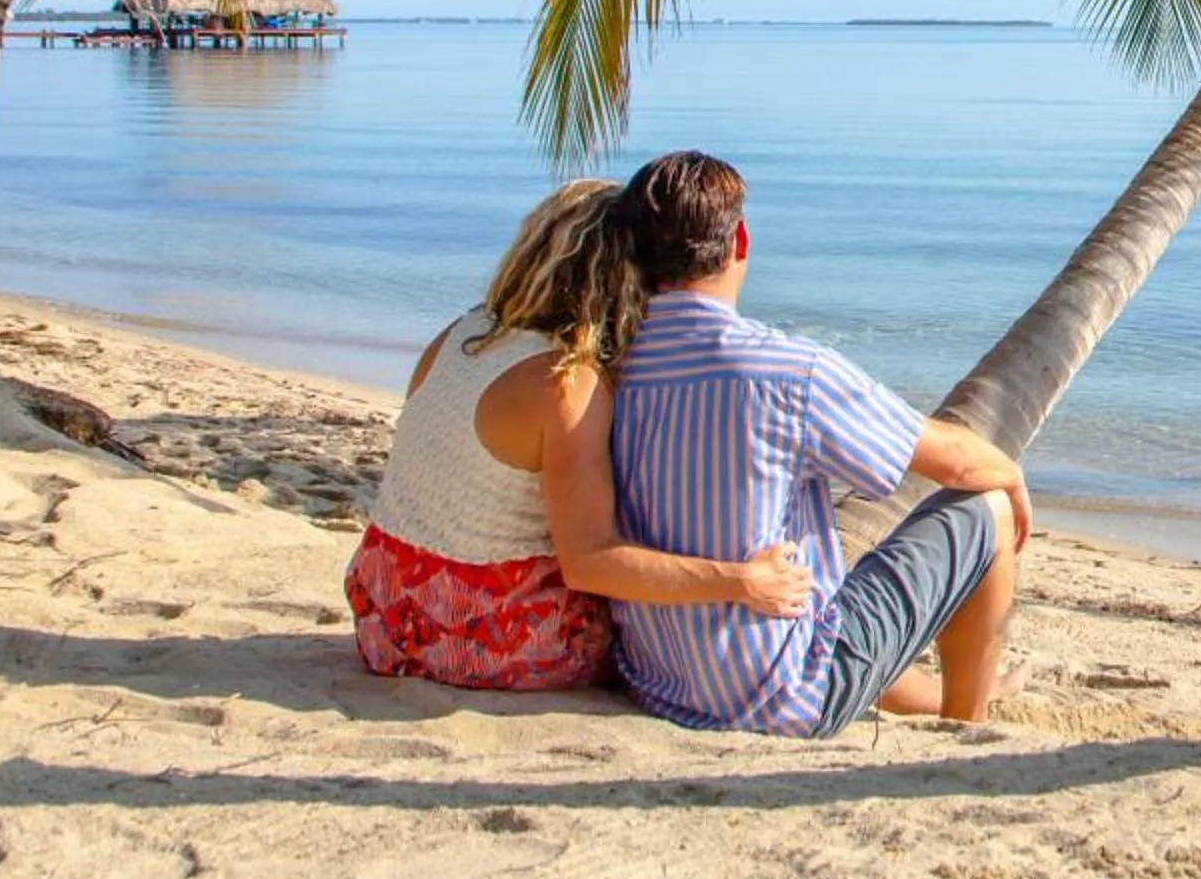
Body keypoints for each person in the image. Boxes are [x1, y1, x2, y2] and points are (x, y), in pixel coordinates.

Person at [603, 150, 1032, 735]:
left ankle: (938, 697)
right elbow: (951, 460)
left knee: (835, 591)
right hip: (783, 698)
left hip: (660, 684)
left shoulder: (607, 373)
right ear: (740, 241)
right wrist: (1012, 478)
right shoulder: (787, 371)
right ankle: (966, 728)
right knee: (987, 510)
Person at [345, 181, 813, 691]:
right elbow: (590, 563)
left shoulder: (465, 333)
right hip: (476, 641)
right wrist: (742, 582)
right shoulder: (566, 384)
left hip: (385, 615)